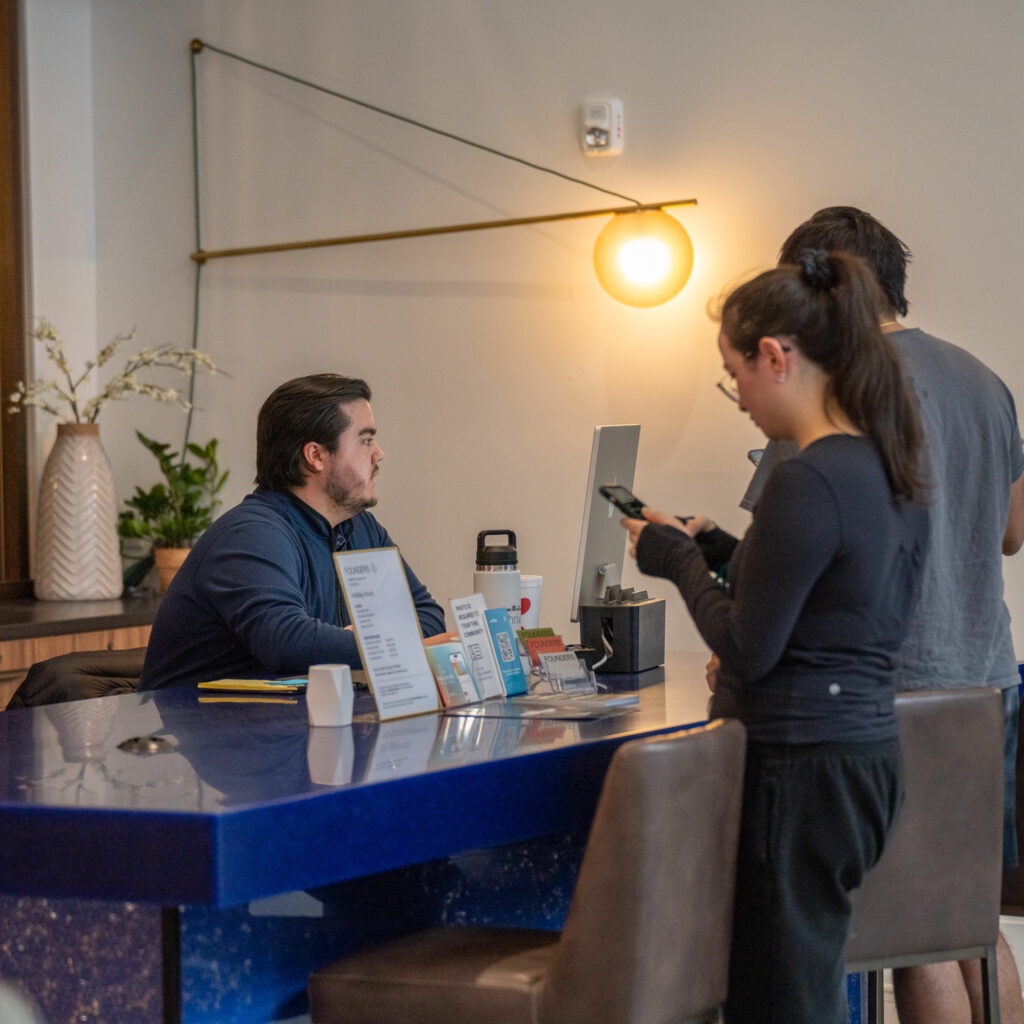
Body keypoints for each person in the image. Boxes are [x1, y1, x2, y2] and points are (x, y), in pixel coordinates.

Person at [621, 249, 930, 1024]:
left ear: (776, 356)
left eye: (736, 376)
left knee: (778, 1000)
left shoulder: (806, 476)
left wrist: (678, 559)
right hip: (859, 756)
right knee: (807, 987)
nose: (739, 399)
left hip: (797, 766)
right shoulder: (889, 466)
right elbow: (830, 591)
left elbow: (750, 646)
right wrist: (727, 548)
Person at [745, 207, 1024, 1024]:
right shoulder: (984, 380)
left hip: (887, 692)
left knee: (912, 934)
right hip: (987, 683)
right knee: (970, 919)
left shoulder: (833, 389)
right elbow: (1013, 532)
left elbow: (782, 553)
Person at [139, 374, 446, 690]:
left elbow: (428, 619)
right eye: (365, 440)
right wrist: (385, 642)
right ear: (315, 456)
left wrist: (364, 640)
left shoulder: (358, 527)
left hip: (289, 726)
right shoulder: (252, 535)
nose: (379, 453)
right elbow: (287, 642)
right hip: (200, 731)